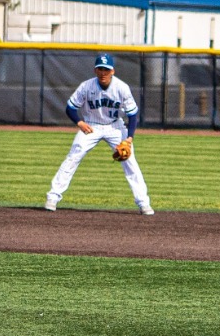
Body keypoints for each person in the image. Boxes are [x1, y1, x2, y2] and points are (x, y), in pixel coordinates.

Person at [44, 54, 153, 215]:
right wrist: (79, 122)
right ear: (95, 70)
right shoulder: (86, 86)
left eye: (106, 69)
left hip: (115, 127)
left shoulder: (121, 88)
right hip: (91, 126)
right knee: (73, 156)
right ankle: (53, 197)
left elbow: (132, 115)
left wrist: (129, 138)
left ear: (113, 71)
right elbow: (70, 107)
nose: (103, 72)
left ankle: (144, 203)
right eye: (100, 69)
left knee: (130, 162)